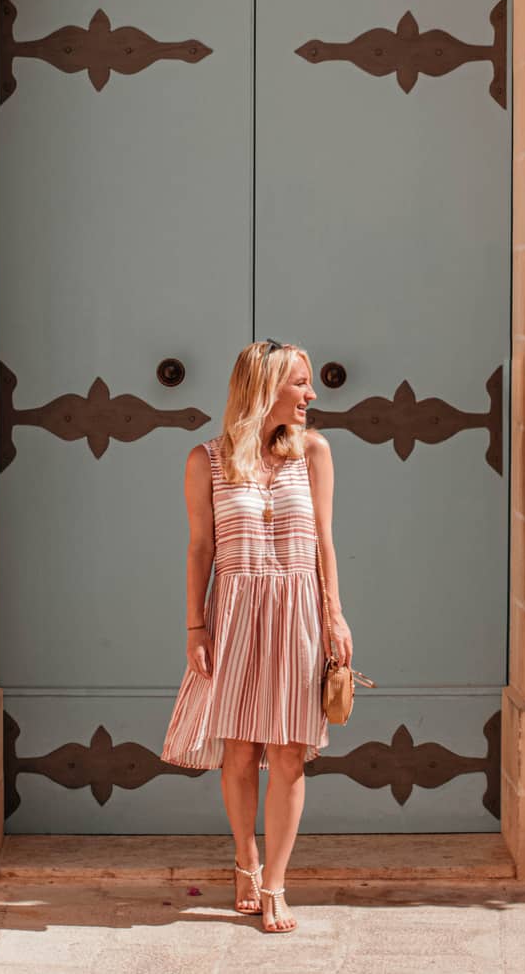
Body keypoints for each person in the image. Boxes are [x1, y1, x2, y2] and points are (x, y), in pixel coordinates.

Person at [160, 340, 353, 934]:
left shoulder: (314, 452)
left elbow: (324, 543)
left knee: (290, 753)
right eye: (299, 383)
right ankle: (245, 859)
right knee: (240, 748)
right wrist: (196, 624)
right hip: (237, 612)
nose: (311, 394)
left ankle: (275, 885)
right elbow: (200, 550)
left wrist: (335, 616)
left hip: (297, 611)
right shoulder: (207, 460)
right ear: (265, 389)